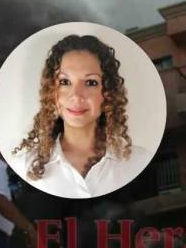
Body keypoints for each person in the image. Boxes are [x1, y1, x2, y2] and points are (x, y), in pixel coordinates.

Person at [10, 34, 153, 198]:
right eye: (64, 82)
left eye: (91, 82)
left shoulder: (139, 162)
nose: (76, 96)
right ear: (51, 92)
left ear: (107, 93)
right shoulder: (23, 166)